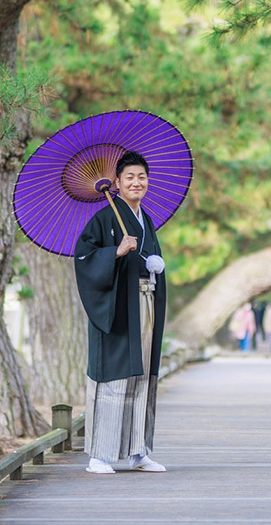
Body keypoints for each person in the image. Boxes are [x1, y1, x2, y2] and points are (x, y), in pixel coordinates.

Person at [74, 151, 168, 475]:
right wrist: (114, 251)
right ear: (116, 183)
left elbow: (147, 259)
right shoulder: (103, 220)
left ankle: (137, 450)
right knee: (114, 378)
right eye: (129, 177)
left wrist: (154, 266)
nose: (136, 182)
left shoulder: (147, 219)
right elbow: (84, 258)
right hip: (116, 308)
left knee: (141, 374)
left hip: (145, 303)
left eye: (141, 177)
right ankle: (99, 454)